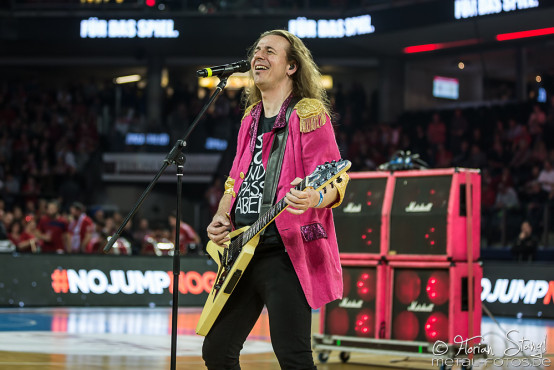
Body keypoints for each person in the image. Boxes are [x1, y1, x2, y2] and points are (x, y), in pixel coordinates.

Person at [203, 29, 349, 370]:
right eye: (256, 50)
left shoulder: (309, 113)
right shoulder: (250, 118)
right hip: (242, 251)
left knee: (293, 357)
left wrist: (313, 195)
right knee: (217, 350)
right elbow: (234, 179)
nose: (258, 56)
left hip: (285, 254)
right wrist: (223, 215)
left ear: (291, 67)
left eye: (270, 51)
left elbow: (337, 179)